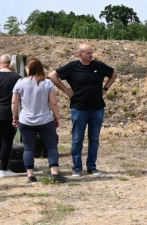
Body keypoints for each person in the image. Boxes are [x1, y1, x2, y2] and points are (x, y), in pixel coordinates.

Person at [49, 43, 117, 176]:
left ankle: (92, 167)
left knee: (94, 139)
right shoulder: (72, 67)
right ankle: (77, 168)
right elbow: (52, 76)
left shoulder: (98, 66)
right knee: (77, 139)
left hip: (97, 108)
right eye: (88, 53)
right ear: (80, 54)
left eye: (92, 52)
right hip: (79, 108)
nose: (91, 55)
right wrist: (66, 90)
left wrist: (106, 88)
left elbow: (114, 73)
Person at [13, 58, 64, 183]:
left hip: (26, 120)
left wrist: (15, 117)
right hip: (45, 119)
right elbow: (53, 102)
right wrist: (56, 117)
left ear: (29, 69)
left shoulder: (20, 82)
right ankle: (54, 172)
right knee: (51, 146)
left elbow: (14, 102)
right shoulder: (47, 83)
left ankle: (30, 175)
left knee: (29, 147)